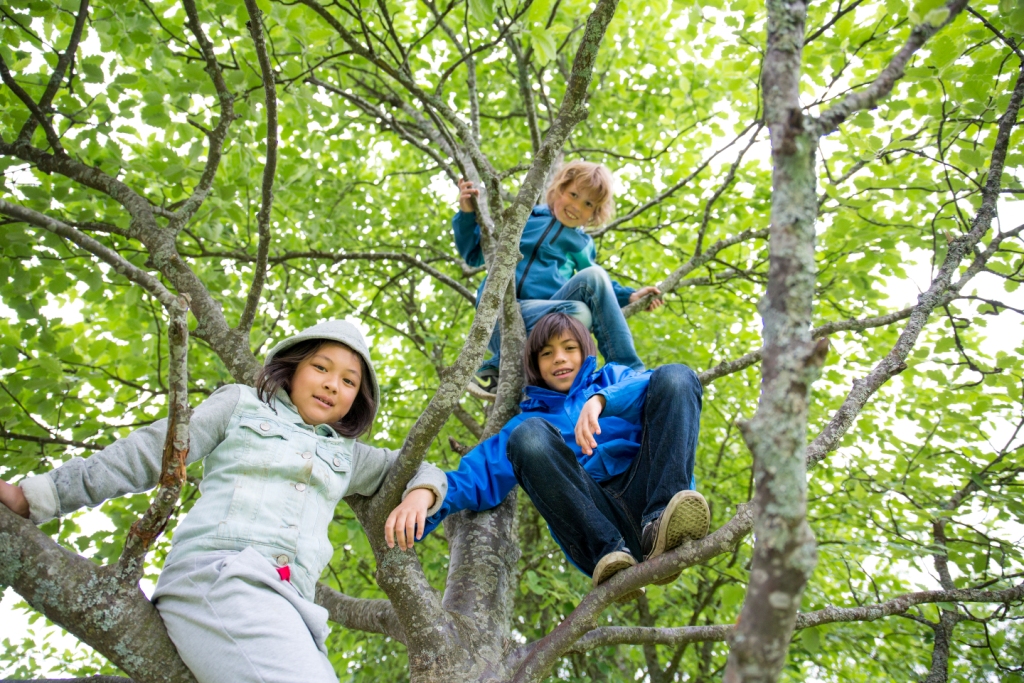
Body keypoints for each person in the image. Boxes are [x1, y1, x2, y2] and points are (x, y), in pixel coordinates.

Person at [0, 320, 446, 683]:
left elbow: (421, 468)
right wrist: (40, 496)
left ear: (356, 400)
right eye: (321, 368)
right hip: (221, 575)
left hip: (294, 609)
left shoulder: (348, 455)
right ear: (292, 368)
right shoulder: (242, 405)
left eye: (349, 381)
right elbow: (152, 450)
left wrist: (419, 496)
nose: (333, 385)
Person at [422, 313, 709, 601]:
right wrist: (427, 496)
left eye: (569, 348)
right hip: (595, 518)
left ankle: (662, 520)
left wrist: (601, 400)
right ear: (535, 365)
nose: (559, 358)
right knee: (529, 436)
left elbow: (655, 384)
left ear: (585, 352)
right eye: (547, 354)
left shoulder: (612, 378)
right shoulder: (529, 421)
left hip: (649, 493)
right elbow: (475, 476)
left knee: (677, 375)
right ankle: (611, 554)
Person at [454, 160, 664, 392]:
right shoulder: (524, 218)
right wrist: (466, 213)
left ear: (593, 215)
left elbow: (598, 288)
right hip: (497, 314)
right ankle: (497, 365)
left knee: (582, 307)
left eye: (587, 204)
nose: (576, 206)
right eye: (573, 194)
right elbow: (474, 254)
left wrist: (630, 296)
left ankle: (627, 372)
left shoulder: (581, 243)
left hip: (544, 320)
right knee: (580, 304)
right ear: (559, 189)